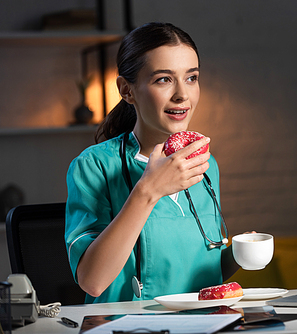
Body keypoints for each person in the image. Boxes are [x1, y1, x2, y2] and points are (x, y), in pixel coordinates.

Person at [65, 22, 239, 303]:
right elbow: (92, 281)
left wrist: (240, 253)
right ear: (127, 90)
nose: (182, 94)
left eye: (191, 78)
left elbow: (204, 270)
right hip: (123, 324)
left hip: (203, 322)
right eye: (164, 79)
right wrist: (149, 191)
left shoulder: (205, 164)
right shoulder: (93, 166)